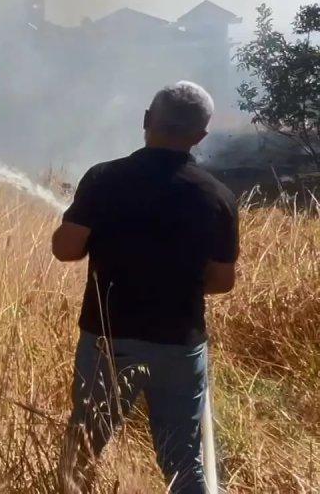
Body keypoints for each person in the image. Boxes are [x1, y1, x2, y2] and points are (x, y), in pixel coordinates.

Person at [52, 81, 237, 494]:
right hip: (180, 343)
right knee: (184, 458)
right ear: (199, 135)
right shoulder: (217, 196)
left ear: (147, 120)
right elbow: (222, 282)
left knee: (84, 446)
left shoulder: (103, 179)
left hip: (108, 340)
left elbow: (66, 251)